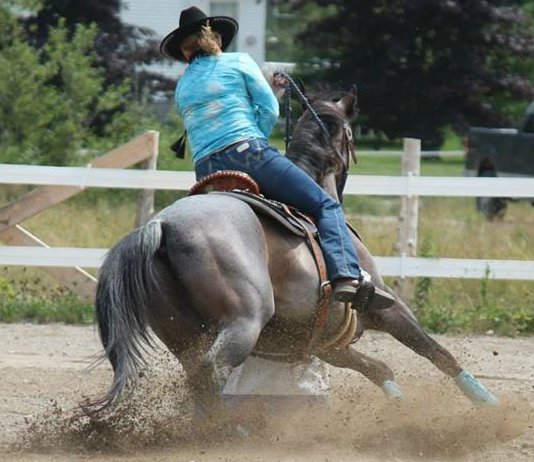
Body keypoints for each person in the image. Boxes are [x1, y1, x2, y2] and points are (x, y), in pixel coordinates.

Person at [159, 6, 395, 311]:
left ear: (184, 50)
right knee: (325, 204)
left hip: (206, 170)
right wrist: (256, 136)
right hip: (248, 157)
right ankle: (347, 276)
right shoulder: (239, 61)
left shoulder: (183, 87)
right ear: (214, 37)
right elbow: (269, 108)